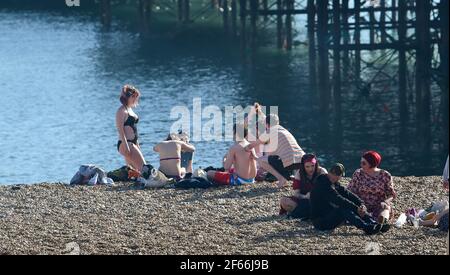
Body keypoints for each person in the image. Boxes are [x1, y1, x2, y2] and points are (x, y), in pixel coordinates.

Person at [310, 163, 390, 235]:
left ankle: (373, 223)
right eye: (335, 176)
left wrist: (361, 204)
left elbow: (347, 194)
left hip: (328, 214)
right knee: (343, 208)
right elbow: (338, 199)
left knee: (350, 206)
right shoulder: (323, 184)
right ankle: (365, 227)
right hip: (321, 221)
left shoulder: (332, 181)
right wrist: (356, 208)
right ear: (330, 173)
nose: (337, 179)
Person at [245, 114, 305, 188]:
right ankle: (289, 177)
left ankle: (281, 179)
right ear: (278, 122)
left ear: (267, 125)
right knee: (276, 159)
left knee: (261, 160)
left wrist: (244, 148)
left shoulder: (269, 131)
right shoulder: (284, 130)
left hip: (290, 162)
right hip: (302, 160)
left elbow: (253, 145)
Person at [347, 151, 396, 224]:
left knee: (386, 209)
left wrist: (386, 202)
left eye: (364, 163)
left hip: (379, 205)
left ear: (372, 164)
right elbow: (351, 191)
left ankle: (382, 222)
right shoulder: (358, 173)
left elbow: (391, 194)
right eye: (361, 162)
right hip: (361, 204)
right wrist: (359, 204)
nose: (361, 165)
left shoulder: (385, 175)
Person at [279, 154, 327, 218]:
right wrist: (305, 196)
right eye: (307, 166)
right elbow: (296, 194)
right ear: (303, 166)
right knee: (284, 201)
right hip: (303, 200)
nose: (310, 169)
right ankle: (307, 212)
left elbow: (327, 189)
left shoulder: (322, 172)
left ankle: (301, 212)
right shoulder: (299, 173)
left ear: (316, 165)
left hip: (319, 200)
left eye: (313, 166)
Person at [116, 85, 147, 174]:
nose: (135, 99)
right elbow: (120, 130)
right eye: (132, 97)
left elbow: (134, 129)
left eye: (135, 97)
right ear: (126, 97)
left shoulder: (130, 109)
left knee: (134, 171)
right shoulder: (121, 111)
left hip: (132, 143)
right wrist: (126, 146)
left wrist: (137, 144)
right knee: (144, 169)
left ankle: (135, 185)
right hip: (126, 143)